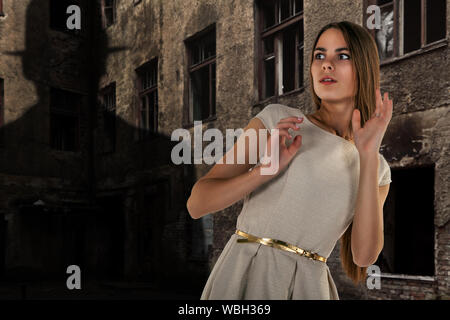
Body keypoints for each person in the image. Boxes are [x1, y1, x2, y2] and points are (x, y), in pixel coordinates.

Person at [187, 21, 393, 300]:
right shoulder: (278, 120)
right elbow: (197, 204)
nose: (326, 65)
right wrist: (265, 170)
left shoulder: (378, 169)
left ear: (365, 67)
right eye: (319, 55)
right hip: (244, 275)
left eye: (342, 56)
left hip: (309, 288)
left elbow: (364, 256)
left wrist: (367, 157)